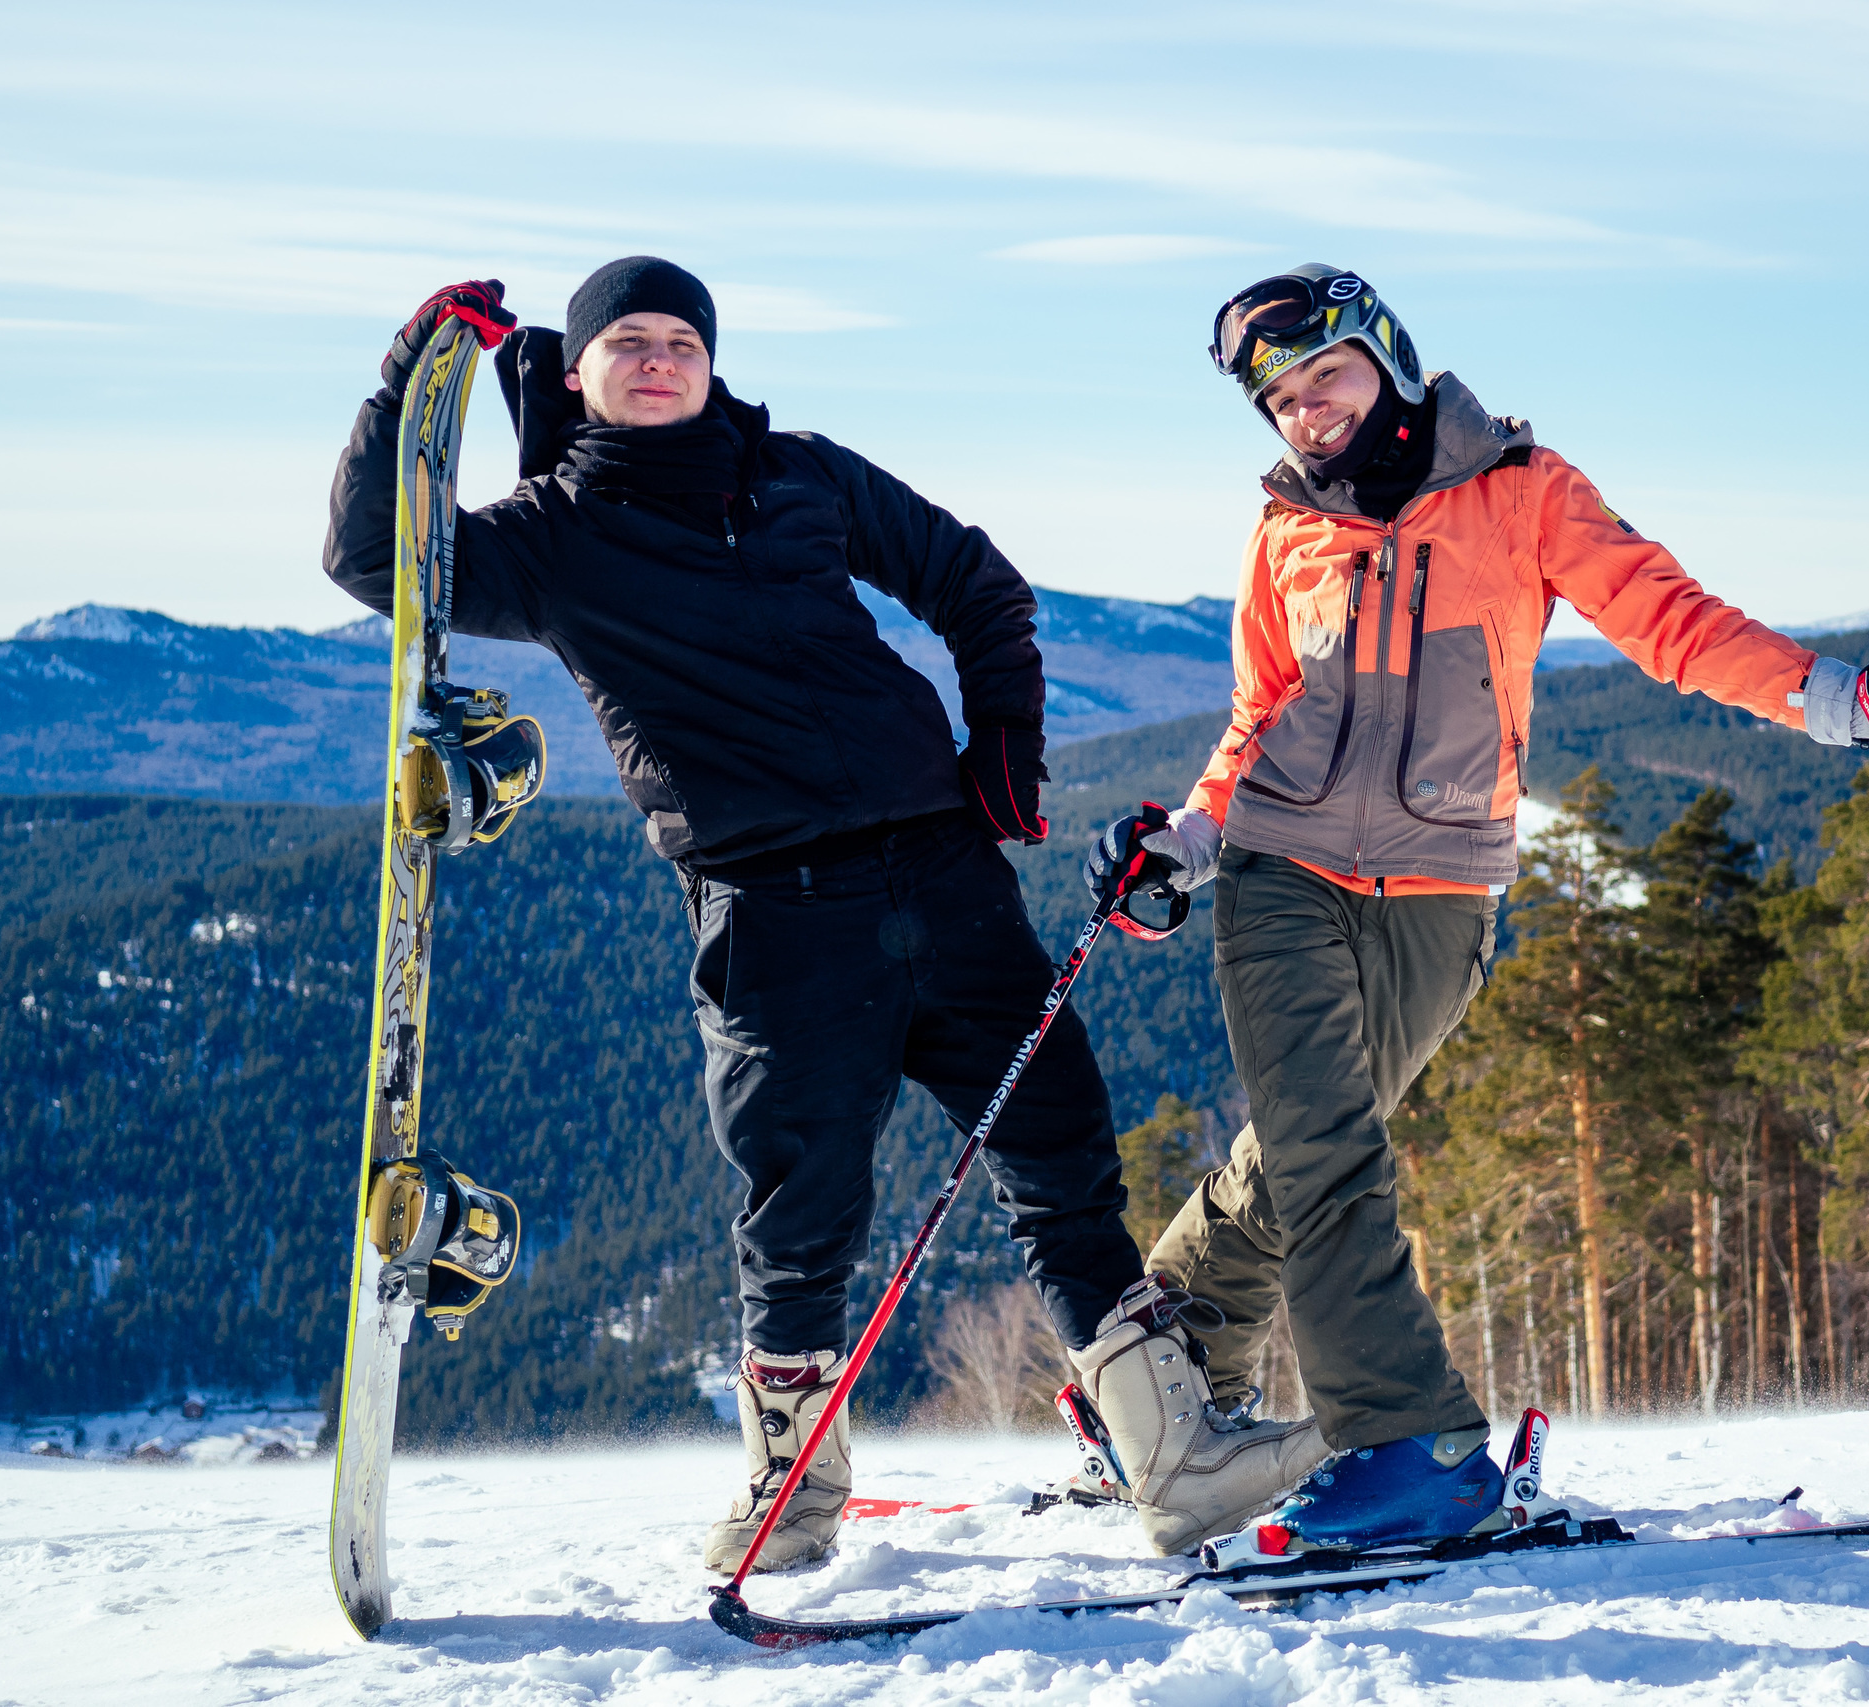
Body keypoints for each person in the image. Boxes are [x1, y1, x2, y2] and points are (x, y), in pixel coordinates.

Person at [321, 260, 1315, 1573]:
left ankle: (1174, 1462)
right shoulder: (549, 539)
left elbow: (976, 581)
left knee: (1063, 1159)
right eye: (629, 341)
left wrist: (1004, 747)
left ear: (711, 361)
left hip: (947, 877)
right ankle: (790, 1499)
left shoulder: (796, 472)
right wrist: (403, 388)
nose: (660, 359)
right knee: (800, 1213)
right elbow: (375, 560)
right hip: (777, 915)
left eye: (682, 340)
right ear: (576, 370)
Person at [1081, 264, 1869, 1554]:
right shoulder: (1284, 530)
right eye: (1281, 401)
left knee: (1309, 1149)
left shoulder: (1523, 491)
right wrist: (1191, 845)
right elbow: (1257, 714)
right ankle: (1412, 1446)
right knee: (1324, 1147)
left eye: (1325, 377)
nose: (1308, 412)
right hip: (1280, 872)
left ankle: (1165, 1382)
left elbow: (1670, 621)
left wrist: (1841, 699)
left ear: (1387, 357)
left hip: (1442, 887)